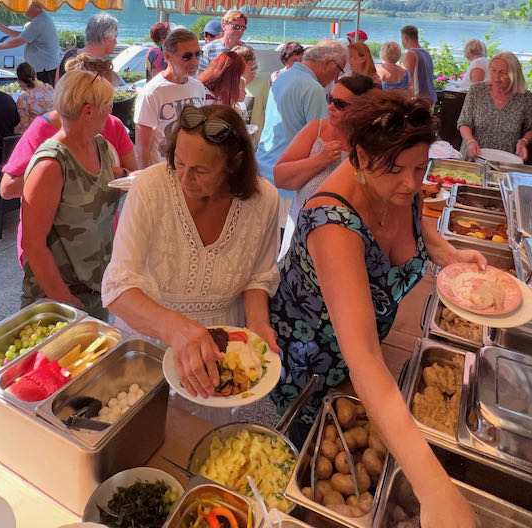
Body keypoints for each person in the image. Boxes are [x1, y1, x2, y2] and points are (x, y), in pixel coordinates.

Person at [269, 92, 485, 528]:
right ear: (362, 158)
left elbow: (413, 219)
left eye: (420, 168)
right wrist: (435, 490)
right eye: (397, 170)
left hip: (359, 356)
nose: (412, 183)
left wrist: (447, 253)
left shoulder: (402, 188)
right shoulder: (333, 223)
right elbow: (364, 358)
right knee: (313, 470)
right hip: (311, 365)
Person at [102, 105, 280, 398]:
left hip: (223, 351)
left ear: (235, 163)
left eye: (200, 170)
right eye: (179, 162)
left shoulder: (264, 200)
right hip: (151, 343)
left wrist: (258, 324)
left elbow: (258, 276)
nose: (185, 178)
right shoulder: (150, 188)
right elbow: (116, 287)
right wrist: (174, 329)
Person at [19, 70, 123, 317]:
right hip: (62, 298)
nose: (111, 113)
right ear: (88, 111)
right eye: (108, 106)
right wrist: (65, 301)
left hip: (95, 289)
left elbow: (97, 192)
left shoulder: (99, 145)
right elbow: (33, 245)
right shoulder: (51, 164)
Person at [0, 56, 137, 198]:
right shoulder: (44, 128)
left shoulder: (113, 124)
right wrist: (76, 173)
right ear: (87, 105)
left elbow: (132, 176)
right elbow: (7, 189)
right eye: (106, 102)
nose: (110, 110)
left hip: (104, 213)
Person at [272, 73, 375, 210]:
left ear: (361, 109)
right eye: (330, 99)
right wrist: (319, 160)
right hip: (303, 220)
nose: (330, 107)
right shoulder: (316, 129)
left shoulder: (373, 143)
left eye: (340, 104)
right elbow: (280, 178)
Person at [256, 39, 347, 185]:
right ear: (327, 63)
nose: (336, 77)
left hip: (263, 166)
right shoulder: (313, 89)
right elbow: (323, 140)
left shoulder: (283, 77)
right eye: (339, 70)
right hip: (287, 179)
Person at [135, 28, 207, 168]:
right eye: (187, 56)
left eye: (198, 54)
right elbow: (142, 151)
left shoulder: (198, 87)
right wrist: (149, 178)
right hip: (163, 171)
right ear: (167, 56)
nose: (195, 61)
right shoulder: (152, 93)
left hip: (190, 168)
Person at [457, 51, 532, 161]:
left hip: (506, 161)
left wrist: (524, 141)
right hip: (474, 158)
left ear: (514, 74)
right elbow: (464, 123)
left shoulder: (524, 97)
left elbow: (531, 128)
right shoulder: (477, 90)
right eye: (493, 70)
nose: (496, 77)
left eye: (502, 73)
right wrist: (470, 141)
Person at [0, 4, 61, 85]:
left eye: (27, 5)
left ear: (35, 6)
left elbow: (18, 41)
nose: (23, 9)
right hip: (45, 68)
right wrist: (0, 27)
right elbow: (22, 35)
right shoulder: (41, 19)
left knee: (42, 91)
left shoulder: (39, 22)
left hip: (44, 70)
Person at [57, 13, 120, 82]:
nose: (116, 42)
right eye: (115, 37)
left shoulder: (68, 55)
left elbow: (56, 85)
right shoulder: (99, 70)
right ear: (106, 39)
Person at [399, 25, 437, 105]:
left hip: (419, 101)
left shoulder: (411, 54)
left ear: (405, 38)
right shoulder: (426, 53)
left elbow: (404, 79)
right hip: (431, 98)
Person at [13, 62, 53, 133]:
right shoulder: (49, 88)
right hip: (53, 130)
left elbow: (23, 126)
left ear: (19, 80)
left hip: (38, 133)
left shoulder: (24, 99)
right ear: (35, 75)